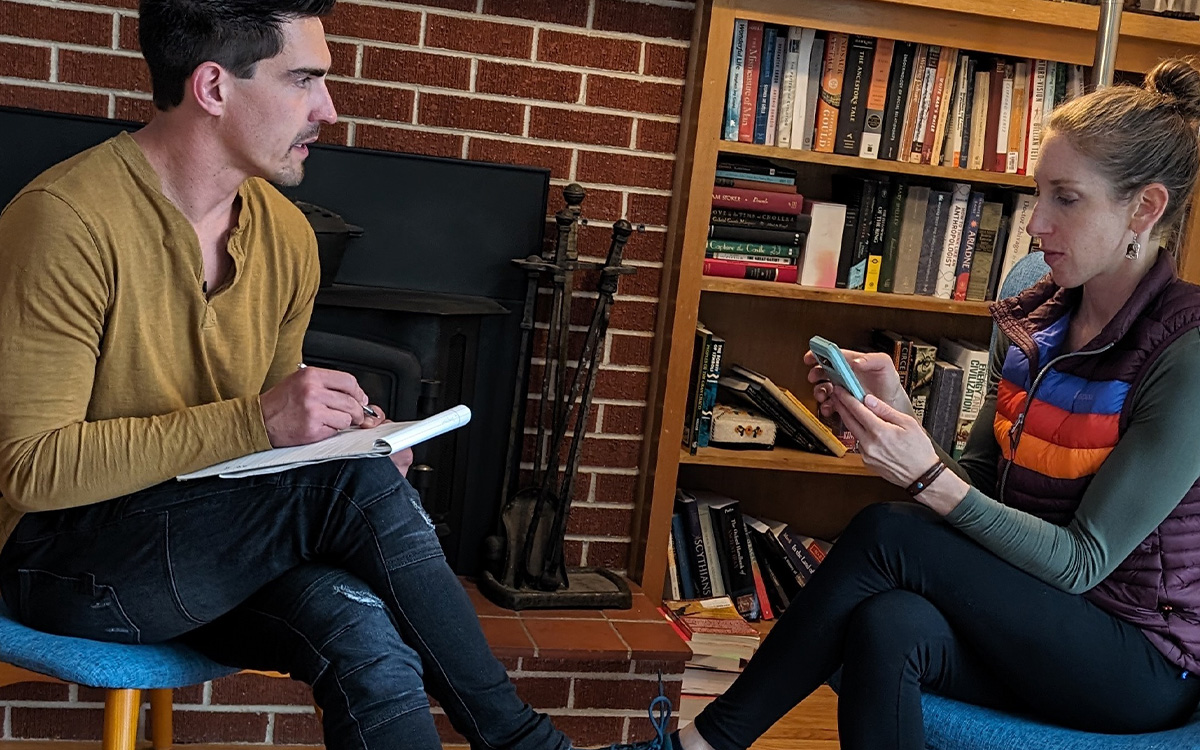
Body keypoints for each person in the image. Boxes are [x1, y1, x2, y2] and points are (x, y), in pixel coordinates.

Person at [0, 2, 577, 749]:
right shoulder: (65, 219)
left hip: (209, 546)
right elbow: (29, 470)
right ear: (213, 87)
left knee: (364, 632)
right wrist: (269, 426)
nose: (327, 109)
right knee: (348, 492)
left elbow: (266, 461)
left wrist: (337, 445)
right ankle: (519, 740)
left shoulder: (285, 234)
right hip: (61, 563)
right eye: (303, 79)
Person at [619, 58, 1200, 750]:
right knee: (887, 624)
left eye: (1066, 199)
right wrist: (902, 417)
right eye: (1038, 194)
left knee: (889, 533)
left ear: (1145, 208)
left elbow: (1082, 562)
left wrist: (923, 475)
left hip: (1139, 659)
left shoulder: (1184, 352)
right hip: (1035, 614)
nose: (1035, 224)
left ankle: (699, 745)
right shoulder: (1037, 322)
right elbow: (984, 487)